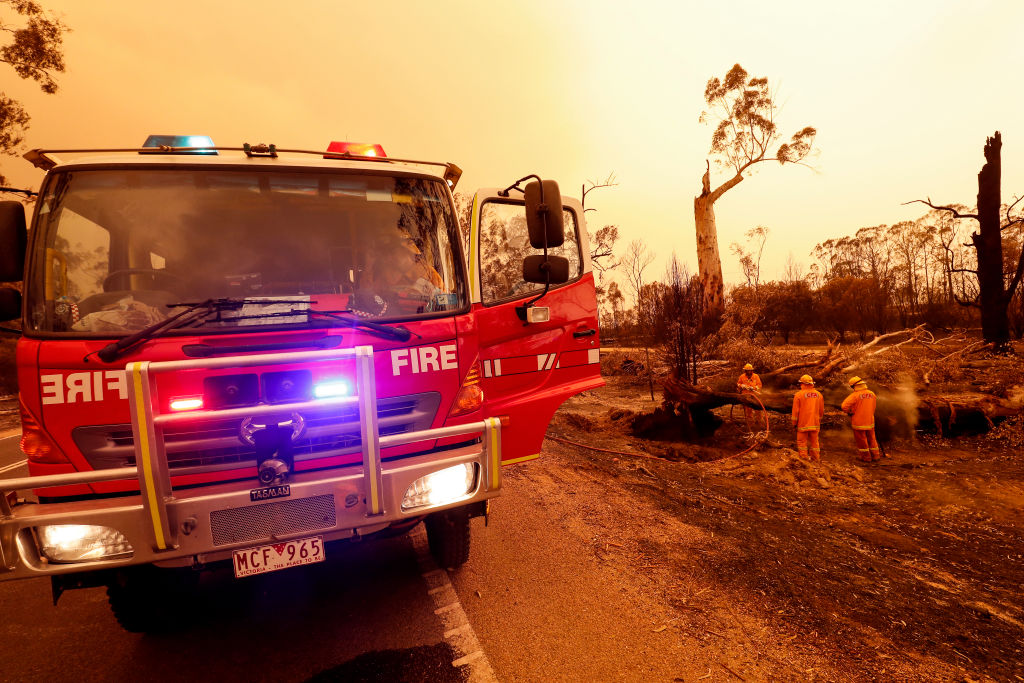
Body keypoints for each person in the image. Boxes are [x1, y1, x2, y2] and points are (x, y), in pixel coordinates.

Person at [841, 376, 881, 462]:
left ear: (854, 386)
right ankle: (876, 456)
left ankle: (866, 458)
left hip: (858, 422)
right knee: (872, 439)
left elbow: (844, 406)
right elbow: (873, 407)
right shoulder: (872, 394)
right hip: (870, 421)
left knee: (862, 440)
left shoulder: (855, 395)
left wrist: (850, 412)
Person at [791, 374, 824, 461]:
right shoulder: (819, 395)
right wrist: (818, 420)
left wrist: (794, 423)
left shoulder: (798, 395)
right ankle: (816, 459)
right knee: (815, 442)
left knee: (802, 442)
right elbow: (821, 410)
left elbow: (795, 411)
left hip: (803, 424)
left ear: (802, 383)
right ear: (812, 384)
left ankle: (804, 459)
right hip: (815, 423)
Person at [736, 363, 762, 431]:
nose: (748, 371)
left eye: (749, 370)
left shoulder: (756, 376)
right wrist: (742, 386)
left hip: (755, 396)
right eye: (747, 370)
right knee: (748, 411)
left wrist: (754, 388)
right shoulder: (742, 376)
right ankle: (751, 425)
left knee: (758, 410)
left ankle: (760, 424)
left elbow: (759, 385)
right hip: (746, 396)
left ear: (751, 370)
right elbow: (738, 384)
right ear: (745, 371)